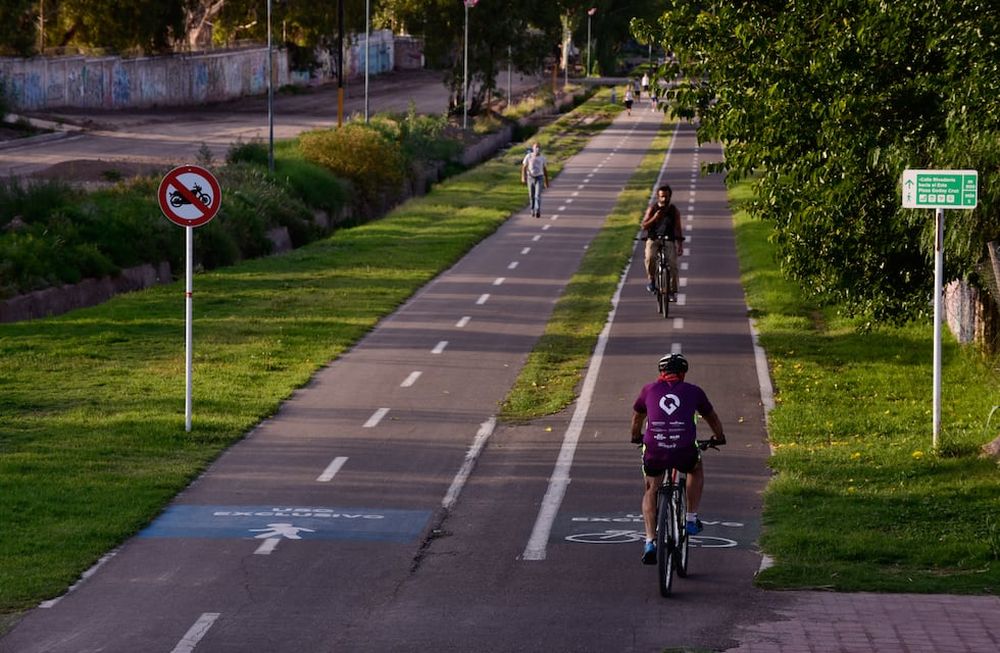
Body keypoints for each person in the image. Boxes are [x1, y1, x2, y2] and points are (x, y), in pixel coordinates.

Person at [630, 353, 726, 565]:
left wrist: (635, 436)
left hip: (655, 450)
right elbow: (711, 417)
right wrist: (719, 437)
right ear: (683, 373)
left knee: (651, 489)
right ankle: (691, 519)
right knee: (695, 468)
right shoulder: (694, 391)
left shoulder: (648, 390)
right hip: (683, 450)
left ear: (661, 372)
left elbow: (637, 417)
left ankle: (650, 541)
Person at [640, 184, 684, 298]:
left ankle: (672, 290)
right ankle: (652, 280)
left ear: (670, 197)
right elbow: (644, 226)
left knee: (673, 264)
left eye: (666, 196)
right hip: (653, 238)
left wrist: (680, 245)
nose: (664, 199)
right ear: (658, 197)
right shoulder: (652, 209)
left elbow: (678, 228)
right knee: (650, 257)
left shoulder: (674, 211)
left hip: (669, 239)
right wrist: (654, 218)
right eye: (662, 196)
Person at [520, 142, 549, 218]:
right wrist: (523, 177)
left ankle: (537, 210)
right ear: (533, 148)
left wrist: (546, 181)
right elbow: (524, 167)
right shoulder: (528, 156)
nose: (537, 149)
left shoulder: (542, 158)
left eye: (538, 147)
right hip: (530, 178)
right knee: (531, 196)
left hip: (539, 177)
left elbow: (545, 170)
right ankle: (532, 209)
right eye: (536, 147)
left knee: (537, 195)